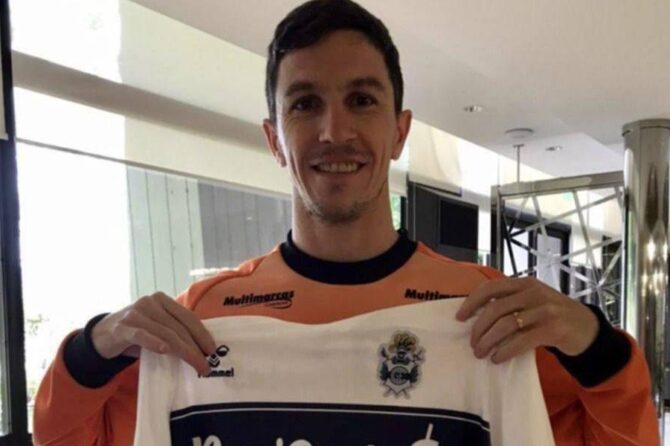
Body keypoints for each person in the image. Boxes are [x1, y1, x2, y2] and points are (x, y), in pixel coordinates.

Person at [33, 0, 659, 445]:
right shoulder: (205, 320)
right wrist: (93, 348)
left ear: (400, 130)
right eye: (305, 104)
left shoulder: (486, 317)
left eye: (361, 100)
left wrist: (597, 348)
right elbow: (66, 436)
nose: (335, 131)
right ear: (275, 140)